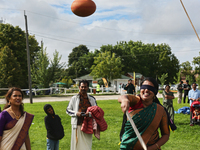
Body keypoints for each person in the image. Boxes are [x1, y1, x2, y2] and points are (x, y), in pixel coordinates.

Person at [118, 77, 170, 150]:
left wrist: (153, 147)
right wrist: (124, 100)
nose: (146, 90)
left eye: (150, 88)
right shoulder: (135, 101)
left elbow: (166, 134)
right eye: (144, 87)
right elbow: (123, 97)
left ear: (155, 92)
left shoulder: (161, 110)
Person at [66, 80, 97, 150]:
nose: (83, 88)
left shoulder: (91, 99)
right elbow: (68, 110)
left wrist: (88, 114)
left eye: (85, 87)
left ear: (88, 88)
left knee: (87, 144)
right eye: (82, 87)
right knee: (76, 144)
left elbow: (96, 111)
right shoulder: (74, 98)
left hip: (88, 125)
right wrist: (76, 113)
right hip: (77, 124)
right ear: (79, 87)